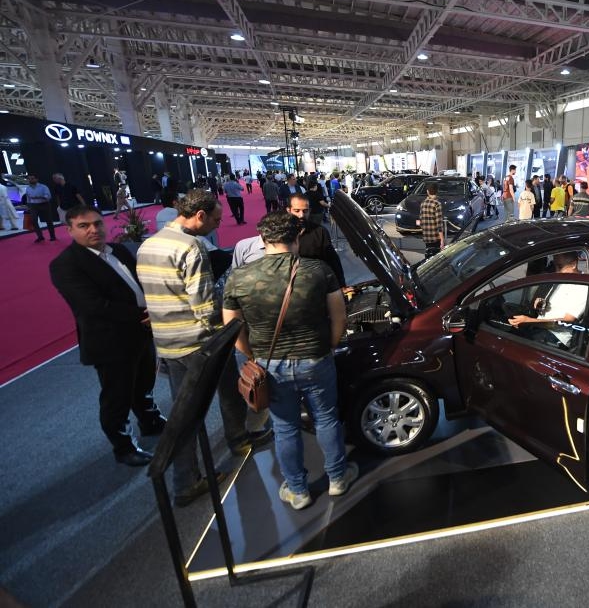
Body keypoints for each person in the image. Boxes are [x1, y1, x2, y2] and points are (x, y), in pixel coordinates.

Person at [137, 190, 271, 507]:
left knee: (183, 413)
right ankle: (233, 444)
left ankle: (189, 477)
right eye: (215, 219)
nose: (216, 225)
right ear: (199, 216)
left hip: (168, 344)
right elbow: (204, 304)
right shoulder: (192, 247)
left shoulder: (148, 245)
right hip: (200, 342)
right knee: (226, 392)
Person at [223, 212, 358, 509]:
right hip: (316, 359)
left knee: (284, 427)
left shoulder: (240, 277)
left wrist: (253, 355)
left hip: (271, 365)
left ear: (262, 239)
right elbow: (339, 316)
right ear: (296, 238)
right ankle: (337, 479)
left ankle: (298, 491)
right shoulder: (318, 270)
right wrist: (328, 346)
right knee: (327, 418)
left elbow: (232, 328)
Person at [49, 206, 166, 467]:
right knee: (117, 396)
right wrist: (144, 314)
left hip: (141, 331)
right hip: (110, 341)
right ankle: (123, 447)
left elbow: (141, 281)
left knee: (144, 382)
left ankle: (150, 421)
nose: (93, 230)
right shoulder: (65, 265)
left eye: (97, 223)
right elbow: (93, 306)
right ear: (69, 230)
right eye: (84, 226)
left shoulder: (119, 250)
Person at [231, 194, 348, 289]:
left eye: (305, 211)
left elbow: (333, 260)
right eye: (296, 211)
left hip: (313, 286)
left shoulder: (320, 231)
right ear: (288, 210)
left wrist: (341, 284)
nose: (301, 215)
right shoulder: (279, 231)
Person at [508, 252, 588, 348]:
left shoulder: (583, 288)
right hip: (540, 326)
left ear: (573, 264)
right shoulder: (563, 278)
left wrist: (530, 321)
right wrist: (543, 301)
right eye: (555, 266)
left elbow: (566, 322)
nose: (557, 271)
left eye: (560, 266)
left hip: (556, 337)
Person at [24, 174, 57, 242]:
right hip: (33, 205)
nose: (30, 180)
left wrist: (39, 197)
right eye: (29, 179)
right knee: (34, 220)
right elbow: (28, 198)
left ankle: (52, 236)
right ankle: (40, 236)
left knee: (48, 220)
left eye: (32, 178)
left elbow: (48, 196)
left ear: (36, 179)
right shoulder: (28, 188)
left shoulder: (43, 187)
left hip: (44, 204)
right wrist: (28, 206)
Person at [420, 182, 444, 258]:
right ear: (437, 191)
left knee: (428, 256)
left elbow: (421, 221)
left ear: (427, 191)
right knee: (435, 258)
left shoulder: (423, 203)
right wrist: (442, 240)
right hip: (435, 237)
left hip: (426, 236)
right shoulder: (437, 204)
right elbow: (439, 223)